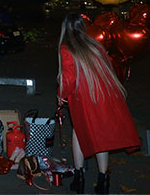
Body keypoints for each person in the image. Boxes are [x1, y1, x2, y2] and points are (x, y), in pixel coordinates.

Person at [57, 13, 140, 194]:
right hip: (103, 94)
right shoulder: (94, 45)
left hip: (83, 98)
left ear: (65, 29)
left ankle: (79, 179)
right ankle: (103, 181)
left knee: (79, 132)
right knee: (100, 135)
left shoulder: (67, 47)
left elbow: (69, 79)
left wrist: (61, 95)